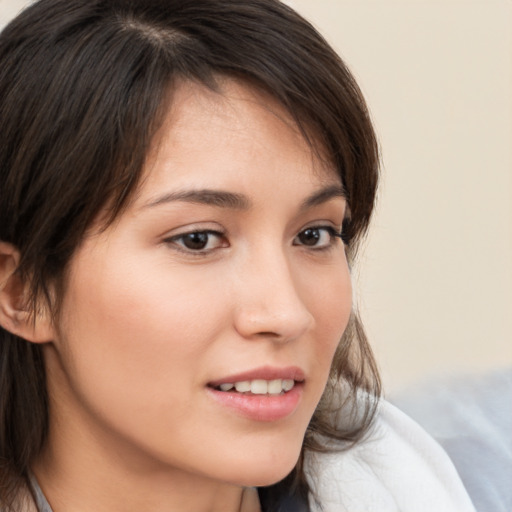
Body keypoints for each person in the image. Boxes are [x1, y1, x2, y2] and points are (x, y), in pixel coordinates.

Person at [0, 1, 476, 511]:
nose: (287, 313)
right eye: (198, 240)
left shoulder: (414, 489)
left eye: (314, 234)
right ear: (22, 292)